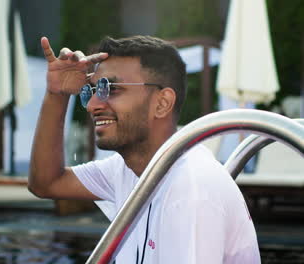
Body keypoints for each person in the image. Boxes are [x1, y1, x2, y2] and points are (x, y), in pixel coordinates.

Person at [29, 35, 260, 263]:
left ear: (162, 103)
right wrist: (57, 94)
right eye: (91, 91)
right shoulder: (129, 168)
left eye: (109, 88)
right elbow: (46, 183)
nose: (92, 105)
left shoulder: (191, 189)